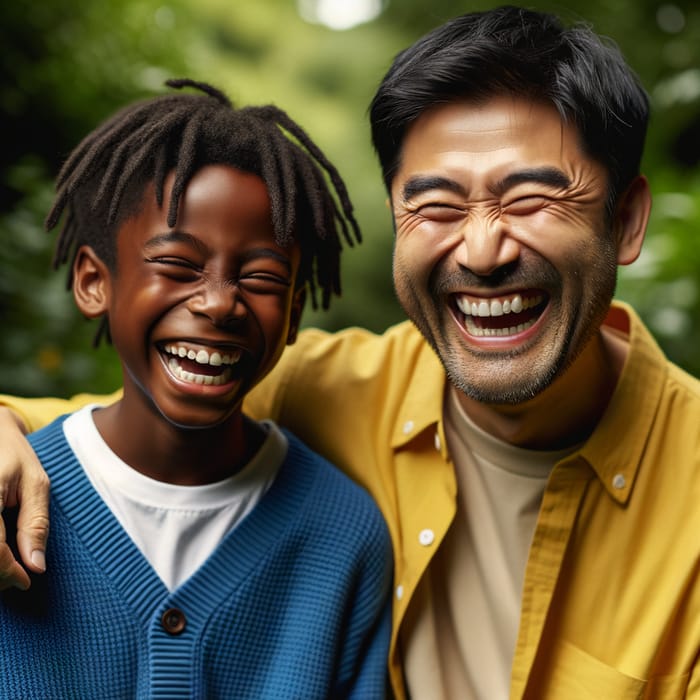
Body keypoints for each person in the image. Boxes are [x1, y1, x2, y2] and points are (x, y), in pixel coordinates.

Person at [2, 5, 700, 698]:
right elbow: (99, 432)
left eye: (530, 199)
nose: (484, 251)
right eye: (438, 206)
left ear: (626, 220)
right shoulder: (323, 388)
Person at [0, 78, 393, 698]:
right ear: (93, 283)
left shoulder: (343, 535)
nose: (219, 302)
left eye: (262, 276)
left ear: (293, 317)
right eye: (178, 265)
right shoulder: (8, 500)